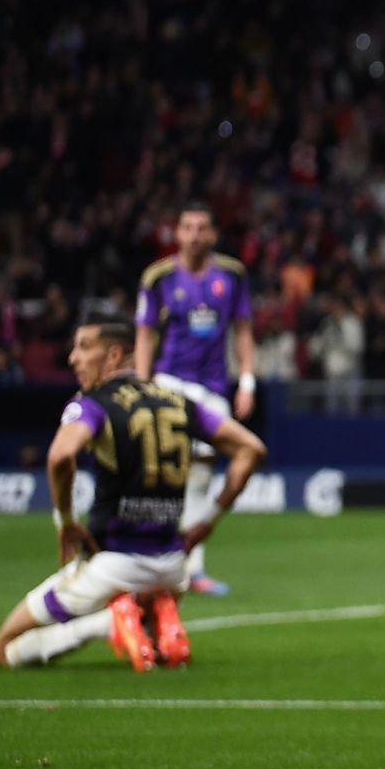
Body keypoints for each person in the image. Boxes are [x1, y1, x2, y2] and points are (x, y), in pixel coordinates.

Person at [0, 321, 268, 671]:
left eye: (84, 346)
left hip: (113, 565)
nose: (73, 358)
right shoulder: (179, 402)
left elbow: (60, 456)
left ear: (114, 355)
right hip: (173, 568)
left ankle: (110, 622)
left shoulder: (93, 404)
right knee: (151, 607)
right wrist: (207, 522)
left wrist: (66, 521)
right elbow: (251, 449)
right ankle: (152, 617)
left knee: (4, 648)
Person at [135, 203, 254, 596]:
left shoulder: (232, 275)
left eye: (202, 228)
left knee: (201, 475)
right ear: (177, 233)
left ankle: (192, 566)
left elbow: (243, 329)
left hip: (214, 387)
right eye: (187, 227)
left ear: (213, 234)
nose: (194, 235)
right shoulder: (158, 277)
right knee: (166, 474)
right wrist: (143, 386)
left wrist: (247, 381)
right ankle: (156, 559)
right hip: (170, 383)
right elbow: (145, 334)